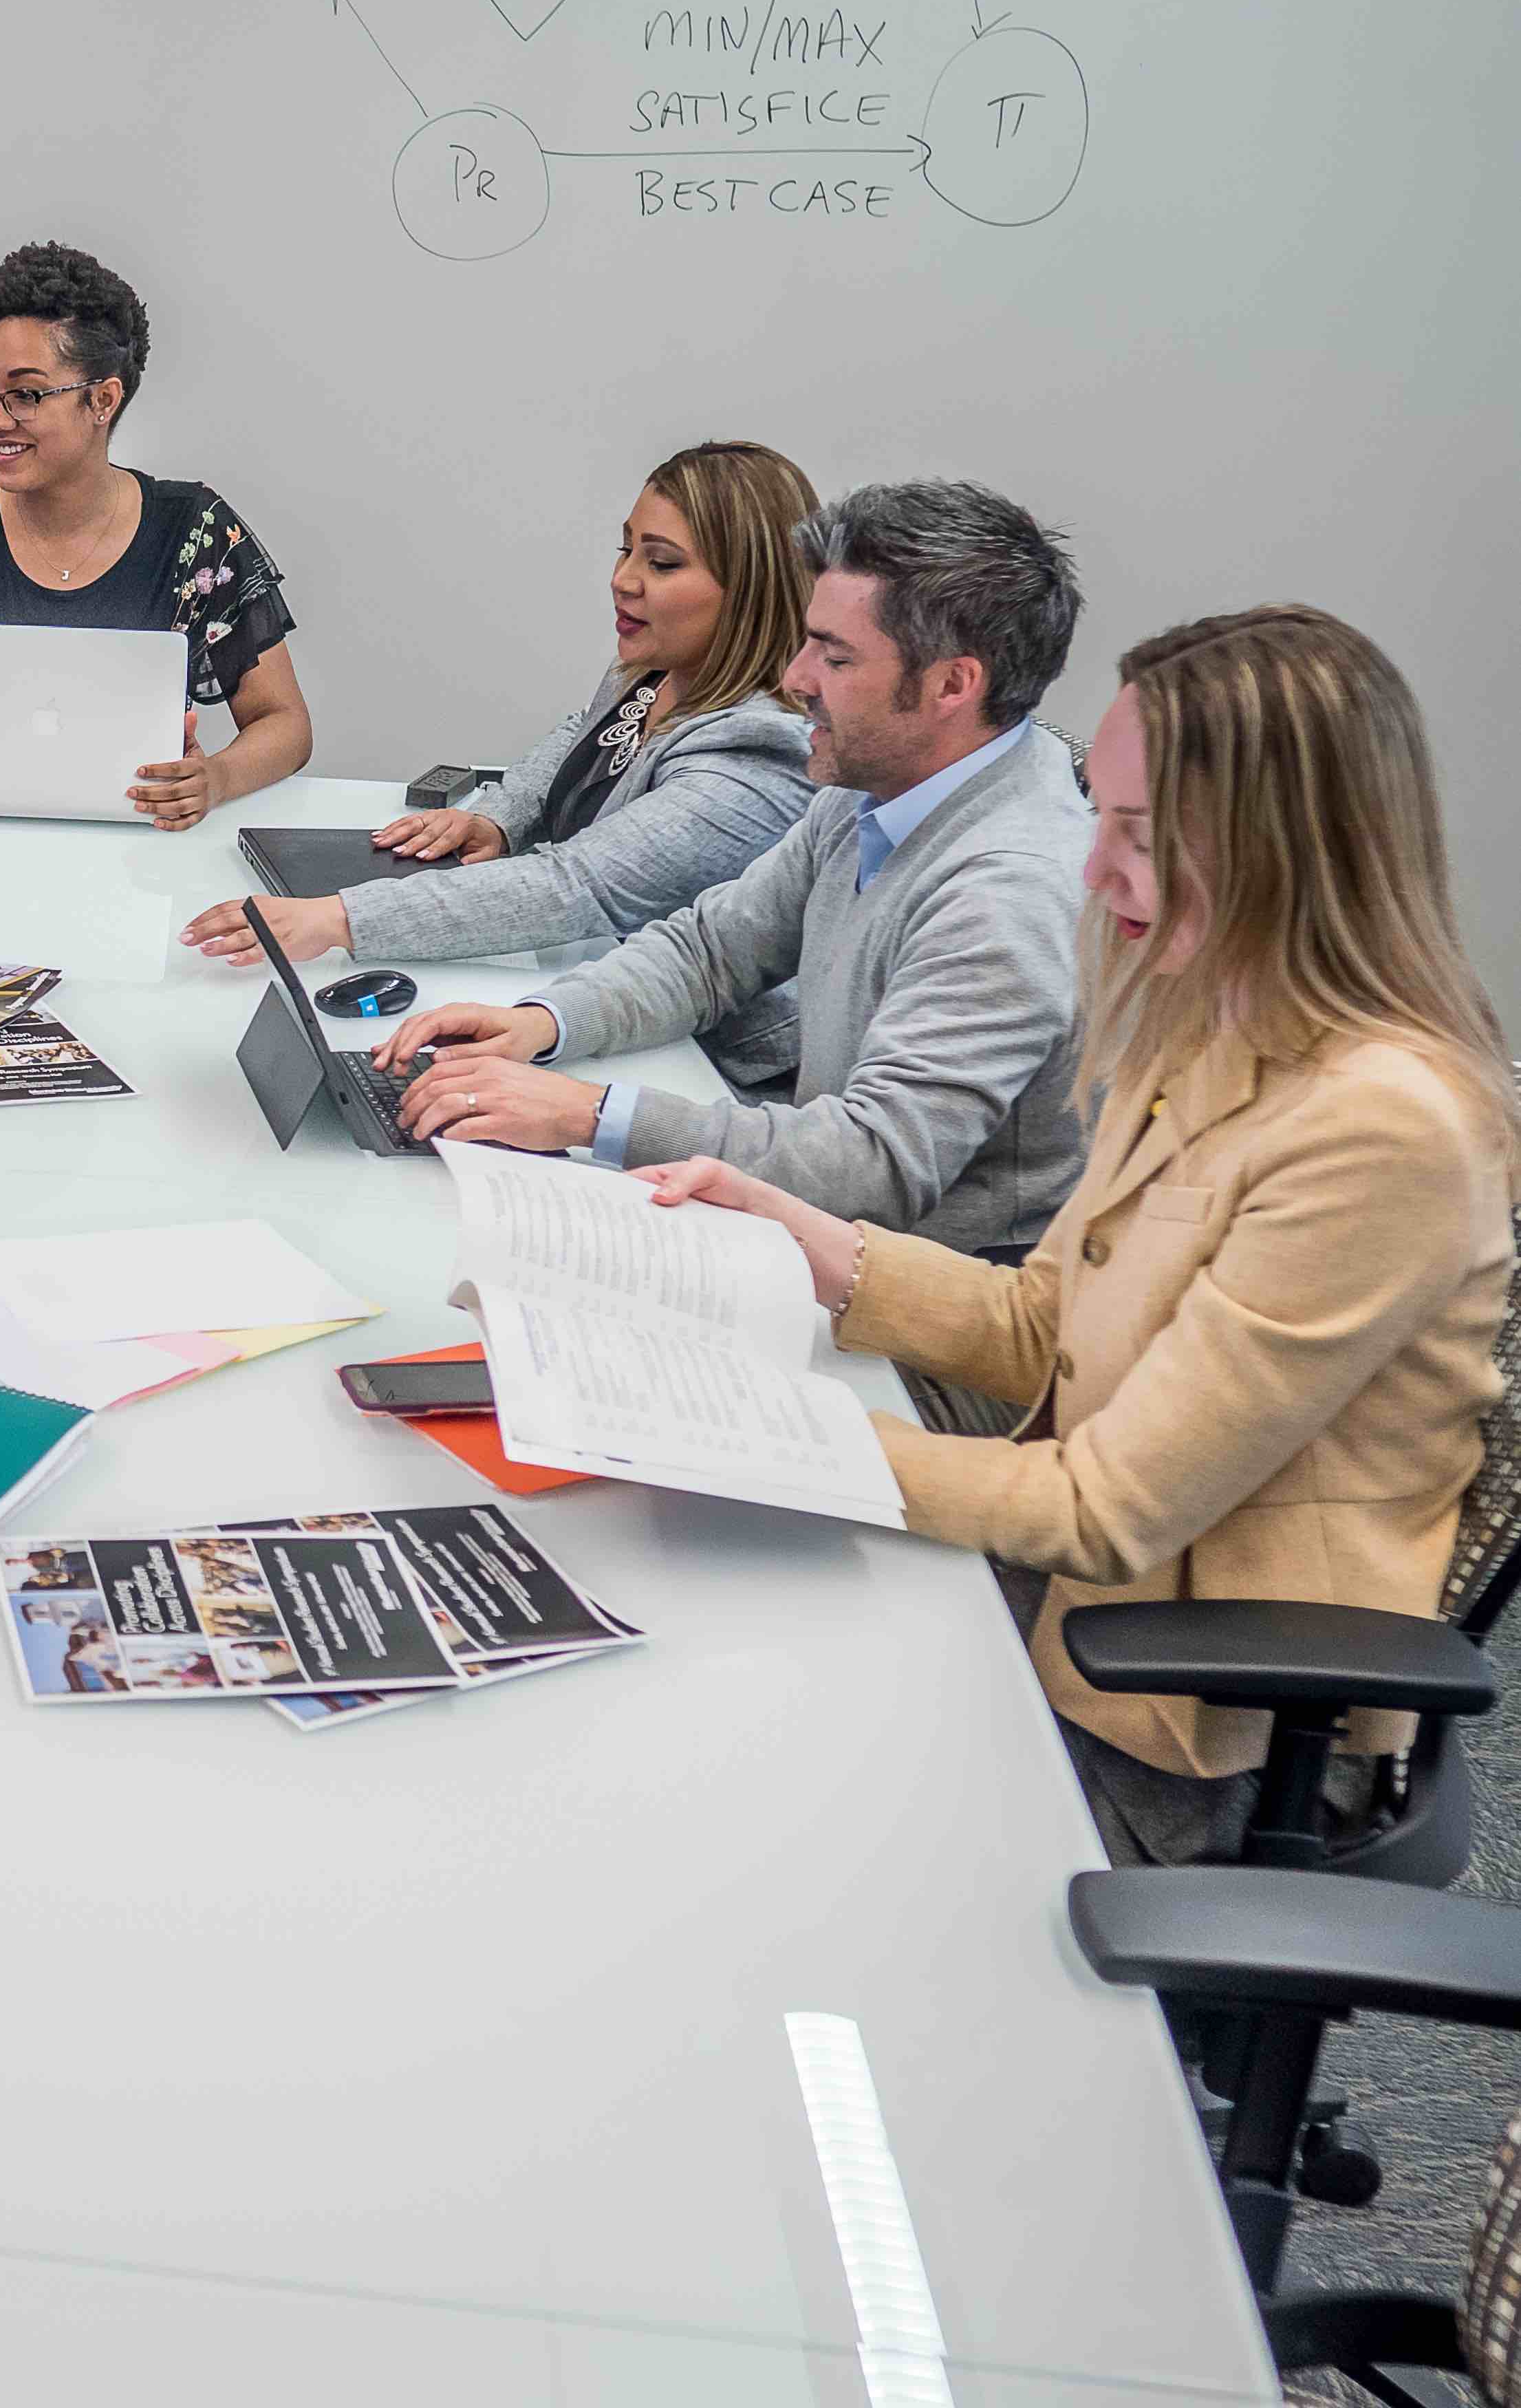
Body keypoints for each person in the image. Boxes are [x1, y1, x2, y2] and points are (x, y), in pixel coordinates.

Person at [634, 608, 1516, 1865]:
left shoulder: (1387, 1128)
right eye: (1097, 812)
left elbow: (1106, 1507)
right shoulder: (1215, 1026)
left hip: (1186, 1724)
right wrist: (810, 1241)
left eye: (1140, 837)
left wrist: (768, 1435)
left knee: (744, 1774)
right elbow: (1042, 1324)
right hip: (1076, 1609)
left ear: (1287, 856)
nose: (1092, 872)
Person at [380, 477, 1093, 1259]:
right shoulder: (883, 782)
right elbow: (713, 949)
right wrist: (541, 1024)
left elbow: (874, 1165)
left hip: (918, 1310)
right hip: (824, 1239)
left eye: (835, 654)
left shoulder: (1009, 891)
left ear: (953, 684)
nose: (795, 678)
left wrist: (589, 1115)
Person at [180, 441, 820, 1083]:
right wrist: (499, 819)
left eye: (661, 563)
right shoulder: (657, 668)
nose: (623, 579)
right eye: (626, 549)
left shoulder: (752, 759)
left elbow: (576, 887)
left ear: (750, 592)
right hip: (594, 989)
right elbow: (582, 737)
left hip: (705, 1068)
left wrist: (335, 919)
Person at [0, 241, 315, 836]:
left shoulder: (194, 531)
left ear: (102, 400)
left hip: (134, 858)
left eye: (25, 395)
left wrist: (216, 779)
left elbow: (284, 722)